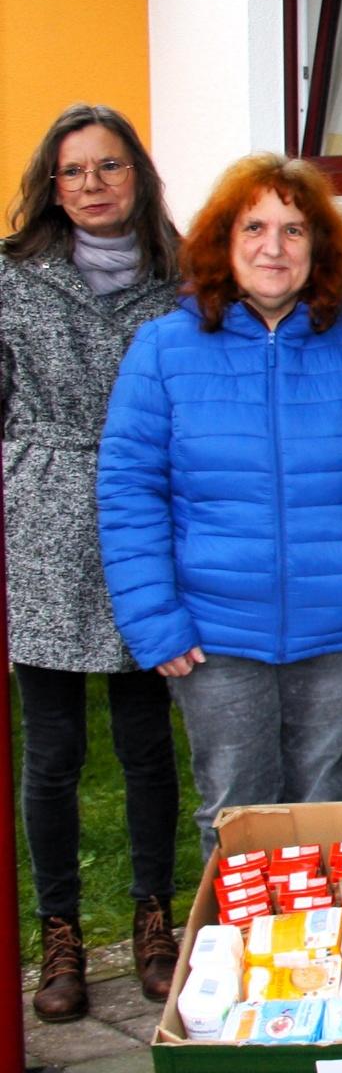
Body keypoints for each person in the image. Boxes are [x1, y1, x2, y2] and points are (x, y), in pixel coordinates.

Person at [98, 153, 342, 853]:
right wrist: (155, 618)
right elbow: (129, 489)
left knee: (328, 810)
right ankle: (238, 960)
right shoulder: (163, 350)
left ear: (317, 245)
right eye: (254, 226)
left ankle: (323, 960)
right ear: (224, 242)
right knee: (238, 815)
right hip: (214, 634)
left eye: (293, 229)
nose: (273, 246)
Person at [0, 105, 187, 1020]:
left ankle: (155, 917)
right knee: (54, 747)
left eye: (109, 167)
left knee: (147, 741)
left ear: (137, 177)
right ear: (52, 183)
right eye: (74, 172)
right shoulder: (13, 279)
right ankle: (62, 936)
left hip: (148, 516)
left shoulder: (182, 279)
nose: (92, 186)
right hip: (44, 515)